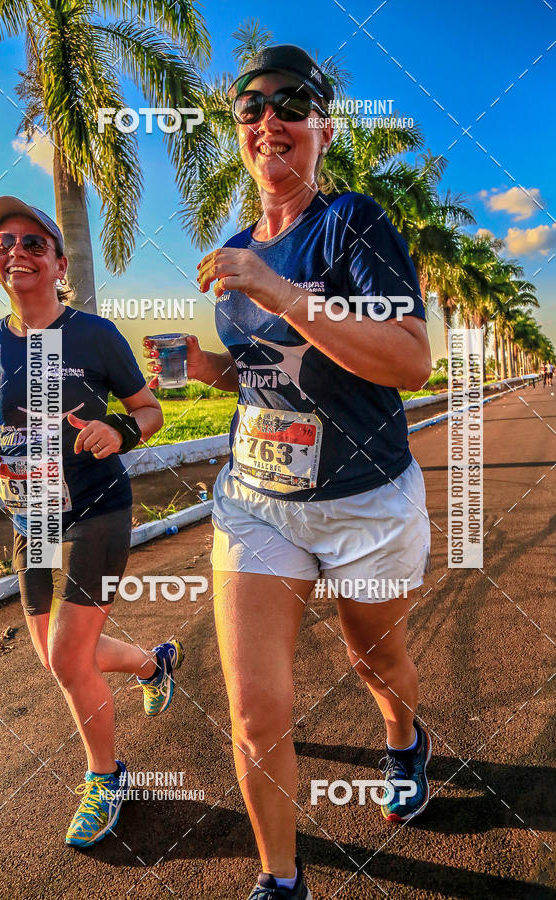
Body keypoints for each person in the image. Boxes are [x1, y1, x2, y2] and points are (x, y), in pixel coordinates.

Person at [148, 45, 433, 900]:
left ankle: (404, 739)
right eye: (250, 106)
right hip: (259, 502)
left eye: (291, 103)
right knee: (256, 710)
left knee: (375, 664)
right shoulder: (236, 251)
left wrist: (281, 294)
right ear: (239, 128)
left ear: (320, 126)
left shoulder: (352, 223)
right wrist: (209, 368)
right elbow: (269, 377)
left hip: (364, 500)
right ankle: (281, 881)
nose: (269, 118)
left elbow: (411, 360)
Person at [0, 196, 184, 849]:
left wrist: (117, 430)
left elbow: (149, 411)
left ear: (60, 264)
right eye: (6, 242)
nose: (17, 251)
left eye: (34, 243)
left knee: (67, 656)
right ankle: (152, 665)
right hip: (30, 514)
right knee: (56, 658)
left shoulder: (94, 335)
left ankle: (106, 776)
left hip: (95, 506)